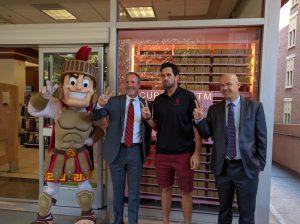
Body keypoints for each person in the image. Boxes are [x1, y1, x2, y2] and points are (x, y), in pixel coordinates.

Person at [28, 46, 107, 224]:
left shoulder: (93, 111)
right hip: (59, 153)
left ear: (92, 89)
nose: (79, 86)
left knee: (84, 187)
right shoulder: (56, 105)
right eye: (73, 82)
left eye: (85, 83)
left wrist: (91, 139)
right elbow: (33, 109)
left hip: (80, 153)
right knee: (51, 188)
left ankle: (87, 215)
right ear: (63, 85)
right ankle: (44, 216)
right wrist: (43, 97)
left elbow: (102, 128)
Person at [193, 73, 267, 224]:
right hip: (223, 168)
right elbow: (207, 133)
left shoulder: (255, 107)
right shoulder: (215, 110)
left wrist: (259, 164)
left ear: (238, 85)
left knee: (246, 214)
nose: (225, 88)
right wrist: (199, 119)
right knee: (224, 211)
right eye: (221, 85)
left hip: (246, 168)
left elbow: (262, 138)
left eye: (228, 84)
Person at [140, 62, 201, 224]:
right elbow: (157, 126)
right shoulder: (158, 100)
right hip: (162, 154)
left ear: (177, 77)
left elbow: (197, 126)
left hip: (184, 154)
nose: (165, 78)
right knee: (165, 190)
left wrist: (196, 153)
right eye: (163, 75)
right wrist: (148, 119)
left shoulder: (188, 97)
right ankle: (165, 221)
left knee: (186, 192)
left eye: (168, 75)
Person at [94, 72, 151, 224]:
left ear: (139, 85)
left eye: (133, 82)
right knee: (118, 192)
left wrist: (149, 118)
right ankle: (117, 221)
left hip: (135, 151)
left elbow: (151, 128)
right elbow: (96, 117)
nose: (130, 85)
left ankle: (133, 221)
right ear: (124, 85)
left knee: (133, 193)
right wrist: (100, 104)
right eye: (127, 82)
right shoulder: (113, 101)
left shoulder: (146, 104)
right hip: (116, 151)